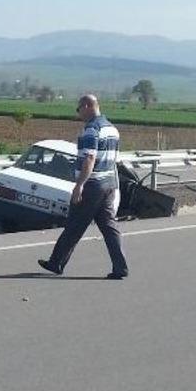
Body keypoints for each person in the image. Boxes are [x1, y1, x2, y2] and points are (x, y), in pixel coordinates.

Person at [38, 94, 129, 280]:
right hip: (109, 183)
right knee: (109, 227)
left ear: (88, 106)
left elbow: (89, 158)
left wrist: (79, 185)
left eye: (78, 108)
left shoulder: (92, 129)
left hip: (92, 184)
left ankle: (56, 263)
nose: (78, 113)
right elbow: (113, 160)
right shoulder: (112, 129)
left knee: (74, 225)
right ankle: (121, 267)